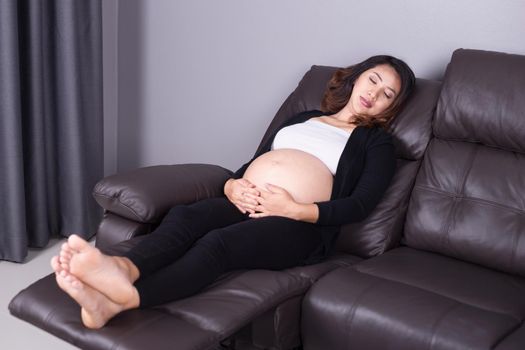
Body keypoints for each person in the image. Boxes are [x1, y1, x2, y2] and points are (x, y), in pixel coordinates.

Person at [51, 55, 415, 329]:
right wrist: (231, 185)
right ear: (354, 78)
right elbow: (253, 165)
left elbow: (360, 204)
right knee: (186, 216)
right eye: (373, 79)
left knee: (218, 244)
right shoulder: (301, 119)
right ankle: (120, 268)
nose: (374, 93)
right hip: (246, 201)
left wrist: (292, 208)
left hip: (301, 227)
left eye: (387, 94)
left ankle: (124, 300)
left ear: (389, 109)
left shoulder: (375, 143)